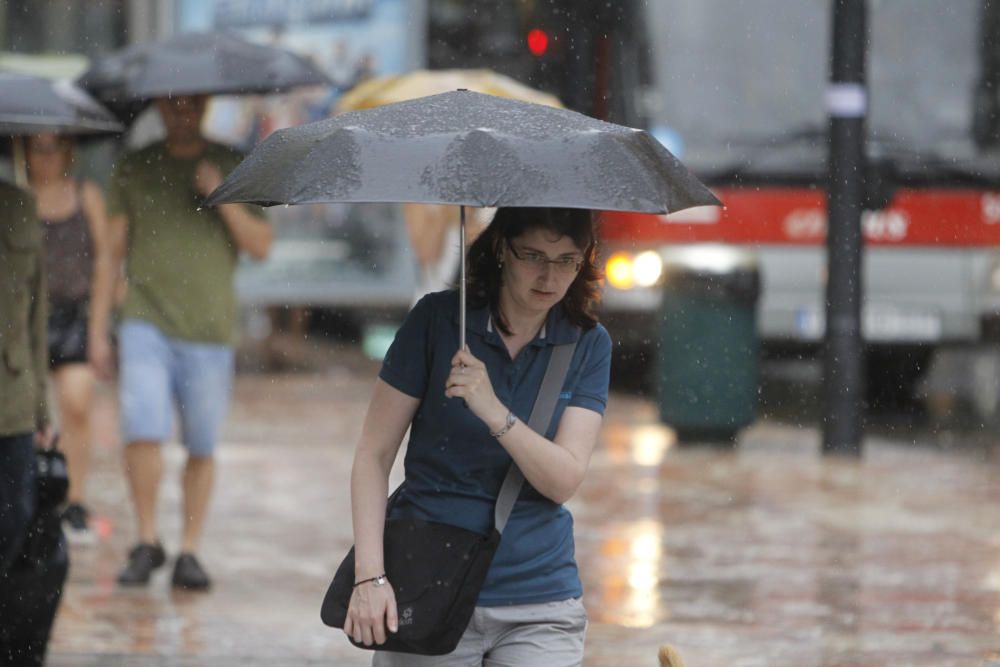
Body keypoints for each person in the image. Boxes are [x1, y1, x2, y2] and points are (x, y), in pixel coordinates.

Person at [344, 207, 612, 666]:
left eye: (568, 259)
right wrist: (370, 578)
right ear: (502, 248)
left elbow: (563, 479)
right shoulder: (436, 322)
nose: (550, 276)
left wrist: (493, 411)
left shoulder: (587, 343)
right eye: (534, 255)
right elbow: (374, 454)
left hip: (540, 600)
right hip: (428, 585)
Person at [90, 94, 272, 591]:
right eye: (172, 104)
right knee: (141, 429)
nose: (182, 112)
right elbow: (110, 254)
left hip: (210, 327)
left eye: (192, 103)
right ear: (159, 109)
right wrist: (97, 329)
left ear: (208, 104)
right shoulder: (134, 166)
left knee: (201, 442)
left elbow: (261, 247)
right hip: (144, 319)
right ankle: (147, 539)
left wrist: (223, 193)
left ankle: (189, 550)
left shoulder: (235, 163)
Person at [25, 132, 112, 544]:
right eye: (35, 148)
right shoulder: (16, 198)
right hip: (26, 320)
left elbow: (104, 262)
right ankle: (30, 495)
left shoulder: (86, 195)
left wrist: (97, 330)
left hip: (74, 316)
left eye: (51, 147)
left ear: (68, 151)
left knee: (77, 402)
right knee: (26, 413)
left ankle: (74, 498)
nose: (43, 157)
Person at [0, 179, 64, 665]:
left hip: (13, 398)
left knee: (15, 520)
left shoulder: (20, 206)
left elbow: (37, 312)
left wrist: (43, 406)